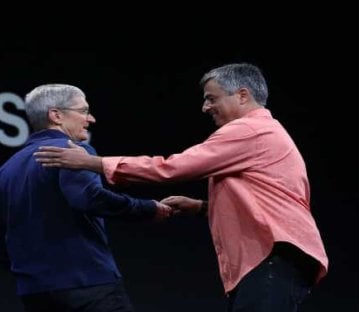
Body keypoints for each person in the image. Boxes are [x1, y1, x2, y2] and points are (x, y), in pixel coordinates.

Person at [34, 63, 329, 311]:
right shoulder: (265, 132)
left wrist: (92, 163)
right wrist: (202, 208)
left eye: (211, 98)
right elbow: (267, 200)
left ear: (242, 95)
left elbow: (172, 168)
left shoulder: (249, 130)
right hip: (278, 256)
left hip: (273, 254)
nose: (205, 107)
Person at [0, 83, 172, 312]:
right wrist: (148, 208)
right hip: (87, 284)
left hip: (35, 293)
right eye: (83, 111)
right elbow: (90, 198)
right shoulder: (72, 151)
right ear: (56, 115)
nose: (90, 118)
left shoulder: (4, 171)